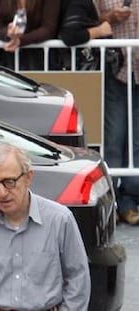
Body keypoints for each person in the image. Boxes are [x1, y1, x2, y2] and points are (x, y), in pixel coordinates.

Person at [0, 143, 91, 311]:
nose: (2, 193)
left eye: (9, 182)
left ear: (28, 177)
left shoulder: (59, 220)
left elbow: (78, 280)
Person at [96, 0, 139, 225]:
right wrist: (110, 17)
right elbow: (89, 23)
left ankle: (130, 202)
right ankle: (110, 202)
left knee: (137, 142)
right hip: (116, 69)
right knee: (114, 138)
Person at [0, 0, 60, 70]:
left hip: (41, 58)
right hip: (5, 59)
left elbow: (48, 29)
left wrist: (20, 41)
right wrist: (8, 34)